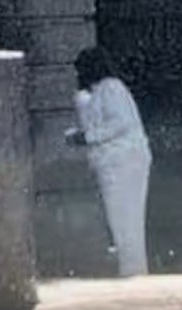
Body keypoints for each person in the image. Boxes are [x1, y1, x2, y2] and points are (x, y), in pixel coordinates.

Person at [65, 47, 153, 277]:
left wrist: (87, 137)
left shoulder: (111, 87)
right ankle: (131, 271)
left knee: (126, 221)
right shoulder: (98, 93)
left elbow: (120, 123)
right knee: (121, 222)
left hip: (123, 163)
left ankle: (133, 272)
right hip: (114, 164)